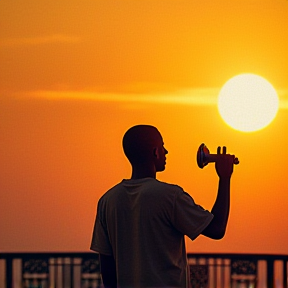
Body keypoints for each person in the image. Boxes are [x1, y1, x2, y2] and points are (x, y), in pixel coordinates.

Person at [90, 124, 236, 288]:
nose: (166, 152)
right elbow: (216, 229)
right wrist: (224, 178)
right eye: (163, 146)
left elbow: (108, 271)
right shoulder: (170, 196)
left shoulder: (108, 201)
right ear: (155, 152)